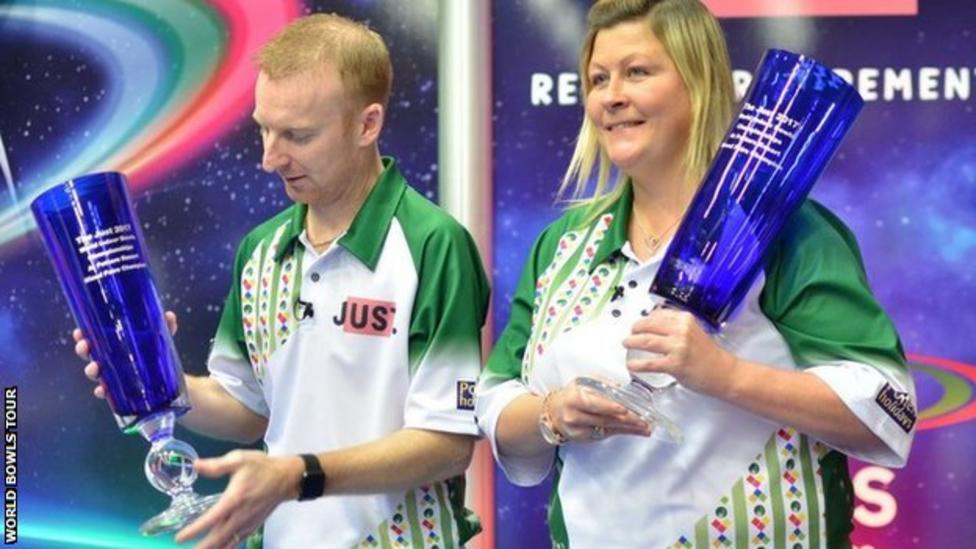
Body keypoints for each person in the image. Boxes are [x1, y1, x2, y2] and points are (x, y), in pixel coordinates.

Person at [475, 0, 915, 547]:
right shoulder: (562, 246)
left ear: (698, 81)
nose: (612, 96)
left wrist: (725, 375)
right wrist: (551, 414)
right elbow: (493, 400)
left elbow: (888, 408)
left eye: (637, 72)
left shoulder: (785, 230)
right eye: (597, 78)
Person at [74, 13, 489, 548]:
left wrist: (298, 475)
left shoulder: (434, 245)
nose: (270, 158)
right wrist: (156, 374)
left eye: (297, 135)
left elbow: (447, 442)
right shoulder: (261, 250)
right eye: (263, 128)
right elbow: (245, 409)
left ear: (368, 125)